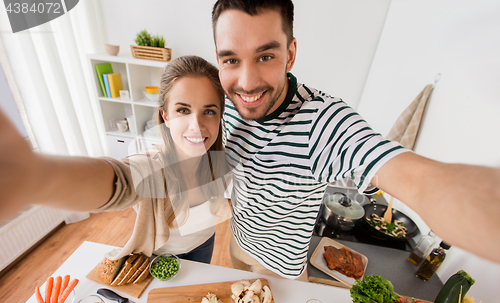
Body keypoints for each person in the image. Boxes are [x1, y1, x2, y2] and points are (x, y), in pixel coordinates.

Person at [209, 0, 500, 279]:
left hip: (278, 269)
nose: (246, 83)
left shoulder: (321, 122)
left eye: (265, 56)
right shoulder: (225, 103)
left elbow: (420, 183)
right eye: (232, 59)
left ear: (291, 53)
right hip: (237, 243)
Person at [0, 55, 231, 264]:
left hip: (204, 244)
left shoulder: (223, 161)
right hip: (161, 256)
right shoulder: (153, 167)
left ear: (220, 116)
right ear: (166, 116)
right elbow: (119, 180)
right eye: (183, 110)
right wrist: (37, 177)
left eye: (209, 111)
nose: (196, 125)